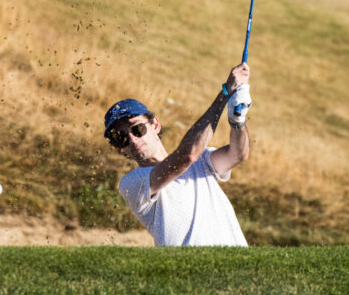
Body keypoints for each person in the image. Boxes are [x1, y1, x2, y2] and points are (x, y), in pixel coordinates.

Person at [103, 63, 252, 247]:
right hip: (192, 273)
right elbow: (186, 156)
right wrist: (225, 93)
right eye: (122, 139)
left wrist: (237, 121)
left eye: (138, 129)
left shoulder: (202, 160)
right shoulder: (132, 183)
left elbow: (238, 154)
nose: (132, 140)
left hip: (240, 267)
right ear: (119, 149)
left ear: (155, 125)